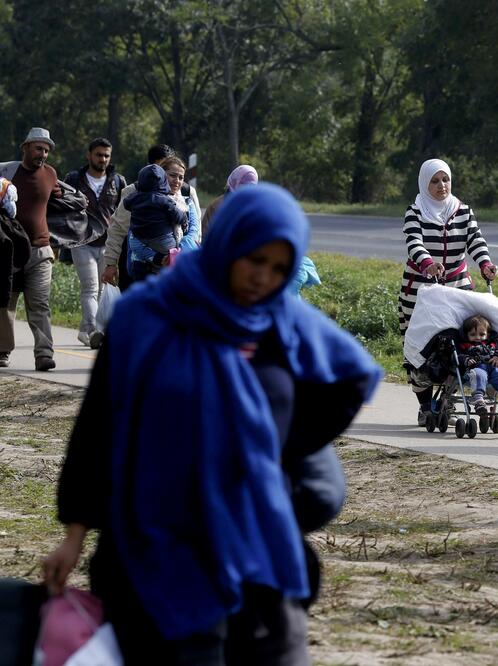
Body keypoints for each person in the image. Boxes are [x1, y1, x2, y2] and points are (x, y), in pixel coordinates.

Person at [42, 183, 383, 661]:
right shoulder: (149, 316)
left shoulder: (281, 324)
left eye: (279, 268)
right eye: (254, 259)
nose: (263, 278)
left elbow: (349, 378)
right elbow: (99, 424)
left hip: (255, 546)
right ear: (228, 245)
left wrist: (276, 454)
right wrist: (74, 536)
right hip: (158, 545)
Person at [398, 158, 498, 422]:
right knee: (422, 348)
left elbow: (475, 240)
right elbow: (414, 242)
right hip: (421, 290)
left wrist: (485, 263)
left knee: (458, 344)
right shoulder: (415, 212)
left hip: (457, 287)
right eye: (434, 181)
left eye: (445, 179)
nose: (441, 186)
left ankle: (449, 402)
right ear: (424, 183)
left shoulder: (463, 211)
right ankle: (425, 407)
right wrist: (428, 263)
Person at [0, 128, 61, 372]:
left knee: (40, 304)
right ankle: (2, 351)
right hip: (10, 250)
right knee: (6, 304)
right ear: (25, 147)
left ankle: (44, 354)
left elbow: (59, 199)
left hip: (40, 250)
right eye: (38, 148)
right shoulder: (6, 172)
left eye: (46, 150)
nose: (43, 154)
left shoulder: (51, 174)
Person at [102, 145, 201, 291]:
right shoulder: (135, 192)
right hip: (142, 267)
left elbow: (195, 230)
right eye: (169, 173)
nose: (176, 181)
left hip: (178, 268)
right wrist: (111, 263)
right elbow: (118, 229)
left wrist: (176, 254)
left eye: (180, 176)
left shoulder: (186, 193)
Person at [62, 138, 126, 349]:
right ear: (89, 155)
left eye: (107, 155)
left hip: (108, 243)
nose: (103, 159)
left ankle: (85, 328)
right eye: (99, 155)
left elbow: (123, 213)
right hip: (81, 240)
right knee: (90, 287)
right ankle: (92, 332)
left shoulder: (117, 181)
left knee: (101, 289)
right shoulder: (74, 179)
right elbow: (62, 206)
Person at [457, 314, 498, 419]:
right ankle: (479, 400)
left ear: (488, 334)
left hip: (495, 368)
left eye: (481, 334)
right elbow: (458, 355)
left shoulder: (495, 342)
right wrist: (466, 359)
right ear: (467, 335)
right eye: (473, 334)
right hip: (476, 368)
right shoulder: (465, 345)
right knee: (478, 374)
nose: (477, 338)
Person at [202, 164, 259, 235]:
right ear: (235, 182)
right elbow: (207, 237)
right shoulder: (217, 207)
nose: (246, 190)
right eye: (243, 186)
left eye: (251, 187)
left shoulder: (255, 208)